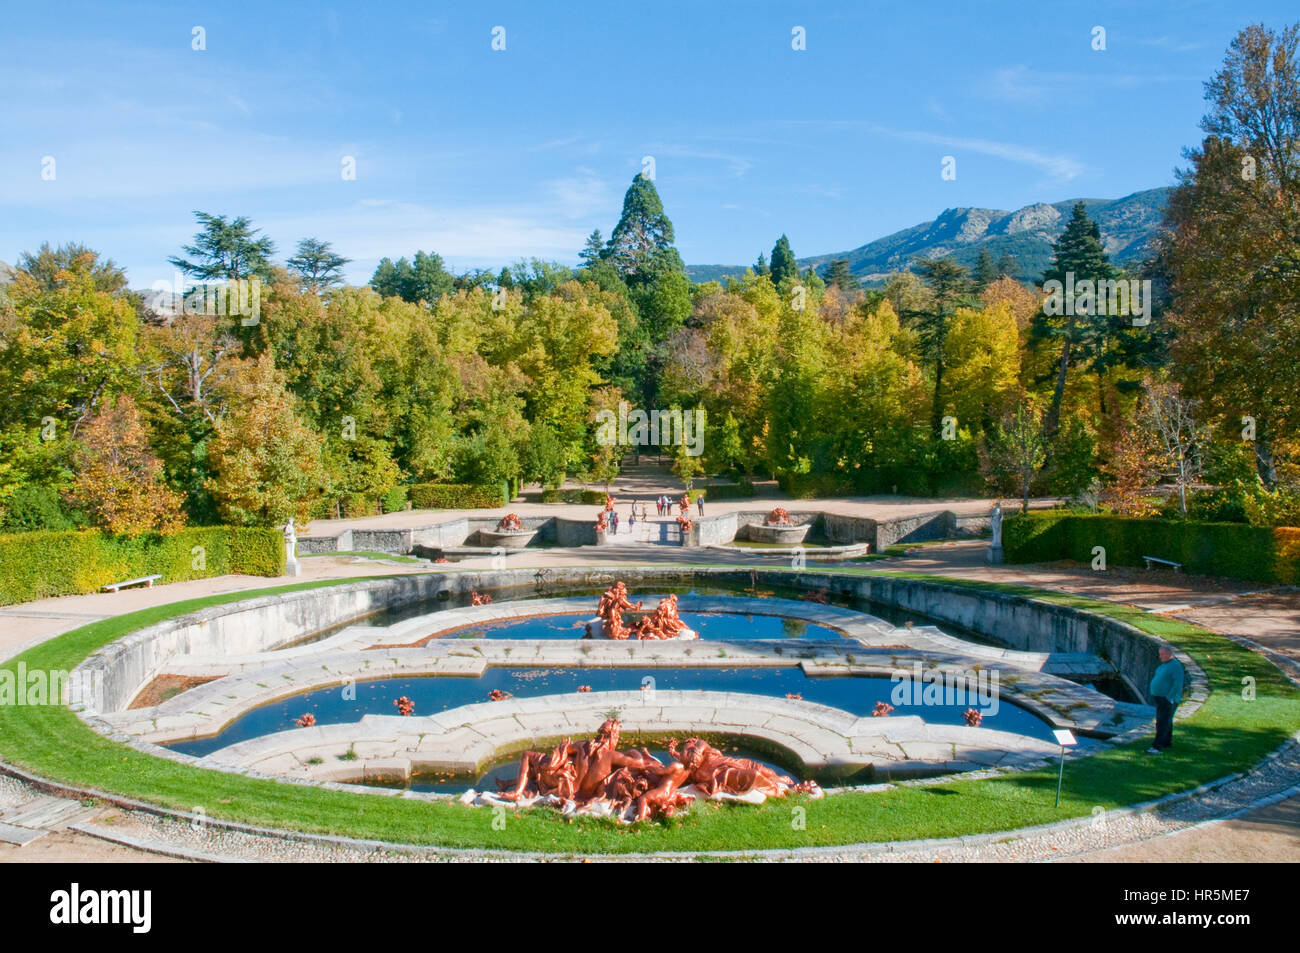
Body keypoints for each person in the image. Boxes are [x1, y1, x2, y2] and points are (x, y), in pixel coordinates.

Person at [1147, 643, 1184, 754]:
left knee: (1162, 722)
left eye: (1163, 654)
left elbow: (1178, 684)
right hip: (1160, 698)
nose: (1160, 656)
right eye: (1160, 654)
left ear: (1169, 654)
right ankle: (1167, 742)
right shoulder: (1165, 665)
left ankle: (1157, 747)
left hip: (1167, 699)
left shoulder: (1175, 666)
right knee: (1166, 720)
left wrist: (1170, 698)